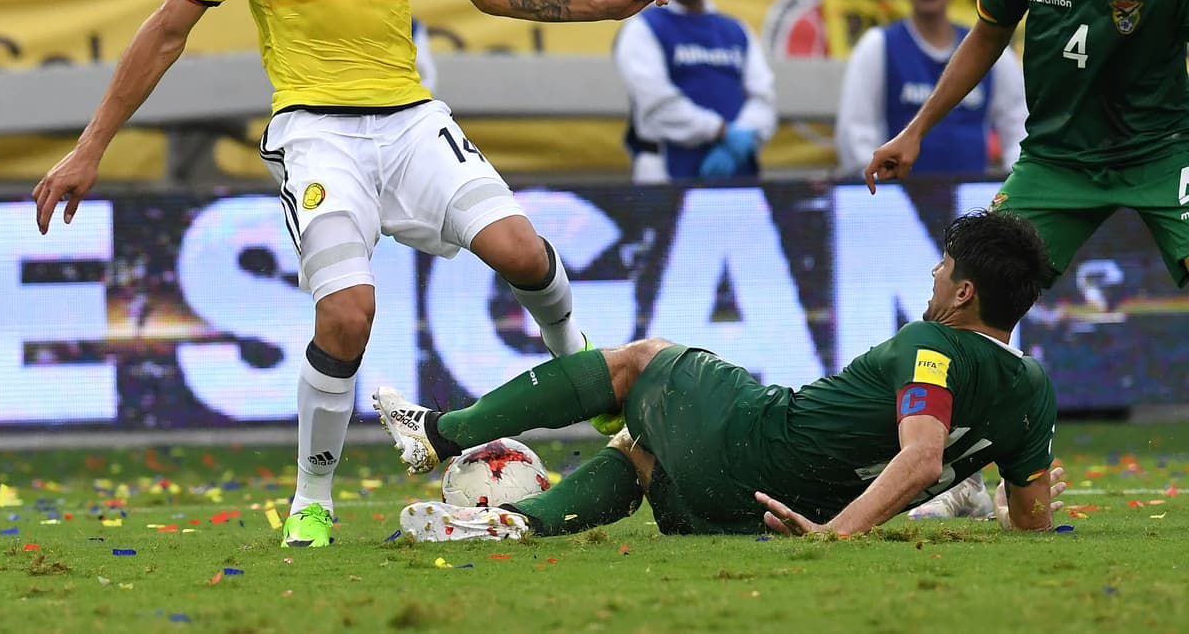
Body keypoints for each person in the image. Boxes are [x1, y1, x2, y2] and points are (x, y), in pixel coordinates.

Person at [31, 0, 671, 550]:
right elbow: (164, 33)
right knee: (346, 316)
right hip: (317, 134)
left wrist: (601, 3)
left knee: (522, 250)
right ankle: (313, 497)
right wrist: (90, 146)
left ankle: (580, 361)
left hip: (410, 119)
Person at [864, 0, 1189, 513]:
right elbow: (985, 37)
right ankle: (958, 476)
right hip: (1056, 160)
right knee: (961, 295)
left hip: (1164, 153)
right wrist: (915, 130)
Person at [375, 208, 1066, 541]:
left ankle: (439, 430)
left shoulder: (931, 343)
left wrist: (835, 535)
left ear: (964, 292)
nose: (935, 272)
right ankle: (515, 522)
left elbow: (920, 456)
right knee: (640, 454)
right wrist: (1010, 514)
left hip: (761, 440)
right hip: (757, 512)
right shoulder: (1034, 390)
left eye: (945, 266)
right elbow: (1033, 517)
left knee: (640, 361)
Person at [836, 0, 1027, 178]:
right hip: (899, 194)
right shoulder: (877, 45)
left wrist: (1014, 183)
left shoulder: (989, 49)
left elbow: (1018, 125)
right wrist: (878, 186)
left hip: (974, 197)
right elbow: (856, 129)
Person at [613, 0, 775, 183]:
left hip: (735, 170)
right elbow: (657, 103)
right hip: (663, 171)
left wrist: (742, 138)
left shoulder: (737, 31)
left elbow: (763, 98)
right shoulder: (643, 28)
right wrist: (722, 132)